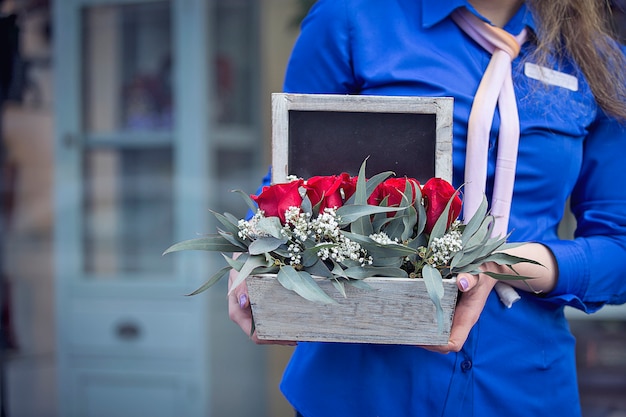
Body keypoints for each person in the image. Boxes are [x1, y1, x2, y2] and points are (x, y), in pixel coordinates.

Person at [229, 0, 626, 415]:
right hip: (363, 389)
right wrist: (252, 249)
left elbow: (619, 248)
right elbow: (290, 184)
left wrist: (499, 264)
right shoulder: (351, 18)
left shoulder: (597, 60)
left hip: (522, 388)